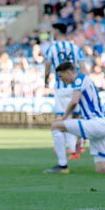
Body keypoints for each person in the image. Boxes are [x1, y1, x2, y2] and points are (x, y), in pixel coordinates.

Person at [43, 23, 87, 173]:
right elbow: (83, 67)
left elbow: (48, 68)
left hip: (62, 89)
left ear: (56, 31)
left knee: (60, 121)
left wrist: (45, 81)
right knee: (74, 118)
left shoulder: (52, 48)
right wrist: (82, 84)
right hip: (75, 86)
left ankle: (63, 162)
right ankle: (78, 146)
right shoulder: (75, 47)